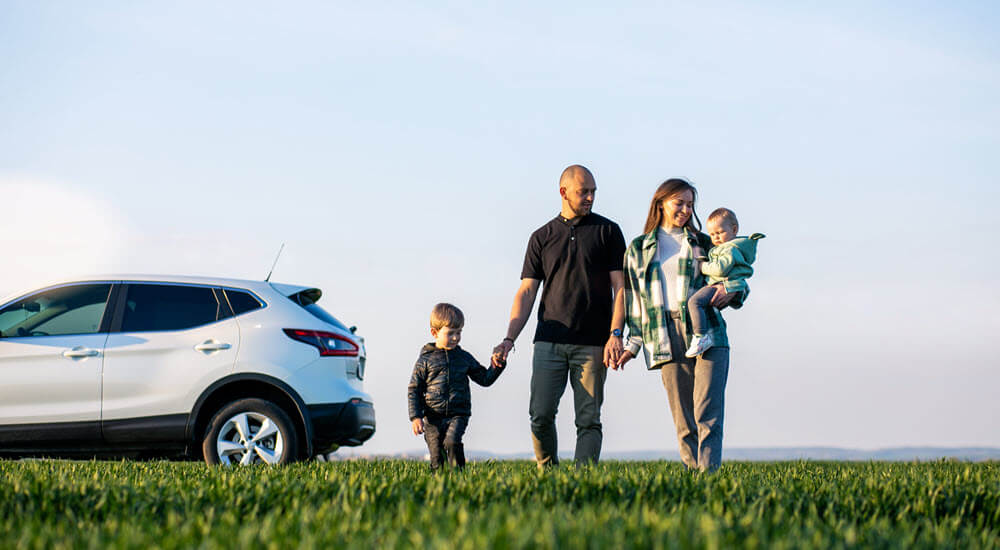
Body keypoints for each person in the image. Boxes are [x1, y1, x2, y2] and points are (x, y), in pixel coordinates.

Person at [492, 164, 627, 467]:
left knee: (589, 419)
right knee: (539, 415)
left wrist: (616, 334)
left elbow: (622, 289)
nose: (590, 197)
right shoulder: (541, 237)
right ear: (563, 192)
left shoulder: (608, 231)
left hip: (593, 342)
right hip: (549, 342)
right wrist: (508, 338)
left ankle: (582, 482)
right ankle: (548, 473)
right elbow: (527, 292)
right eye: (584, 192)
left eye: (593, 192)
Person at [612, 178, 737, 473]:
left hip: (706, 331)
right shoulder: (639, 248)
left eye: (690, 204)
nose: (684, 209)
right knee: (684, 418)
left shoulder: (703, 242)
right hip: (663, 334)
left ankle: (710, 478)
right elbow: (635, 301)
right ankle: (693, 478)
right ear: (661, 203)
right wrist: (632, 344)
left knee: (708, 412)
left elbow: (736, 274)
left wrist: (734, 293)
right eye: (678, 203)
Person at [408, 303, 505, 471]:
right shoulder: (425, 360)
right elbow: (414, 389)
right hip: (432, 417)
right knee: (437, 456)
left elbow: (484, 379)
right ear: (435, 333)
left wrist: (497, 366)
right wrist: (415, 417)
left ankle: (459, 475)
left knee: (452, 441)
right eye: (450, 333)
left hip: (458, 414)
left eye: (458, 332)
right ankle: (438, 485)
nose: (455, 338)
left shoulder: (464, 358)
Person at [685, 207, 765, 358]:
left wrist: (703, 266)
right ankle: (700, 336)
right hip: (720, 285)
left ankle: (700, 336)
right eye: (712, 234)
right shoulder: (724, 248)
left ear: (734, 229)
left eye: (720, 232)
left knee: (694, 302)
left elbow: (720, 269)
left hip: (720, 284)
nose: (716, 237)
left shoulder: (730, 250)